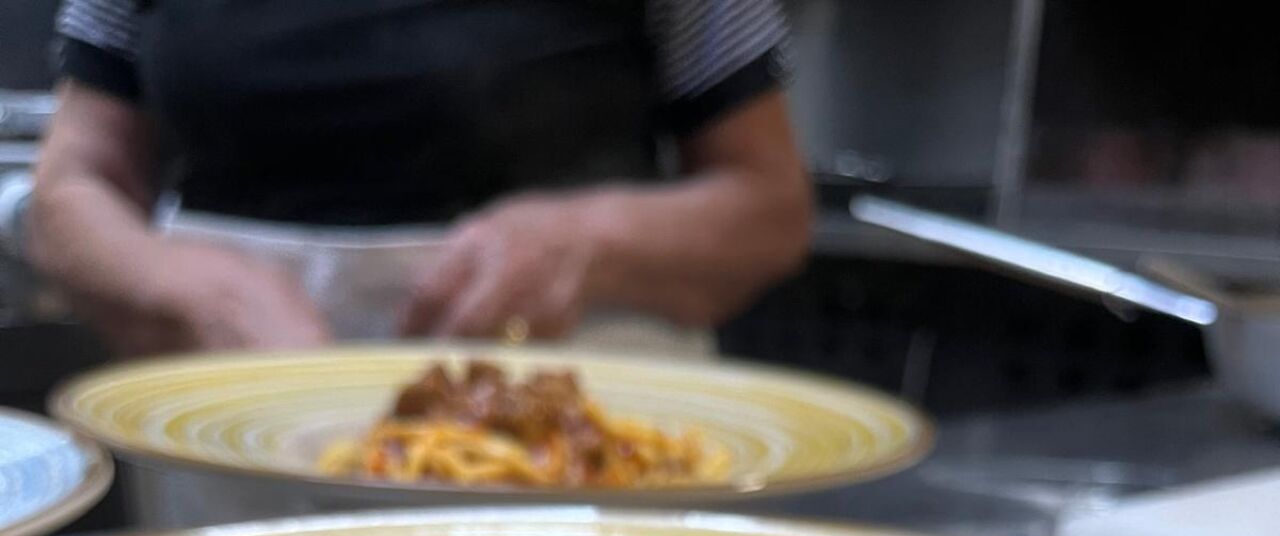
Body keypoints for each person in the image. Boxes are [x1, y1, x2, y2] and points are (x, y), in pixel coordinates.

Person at [30, 0, 813, 355]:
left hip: (576, 444)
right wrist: (190, 289)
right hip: (227, 444)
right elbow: (70, 190)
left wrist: (586, 242)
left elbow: (769, 205)